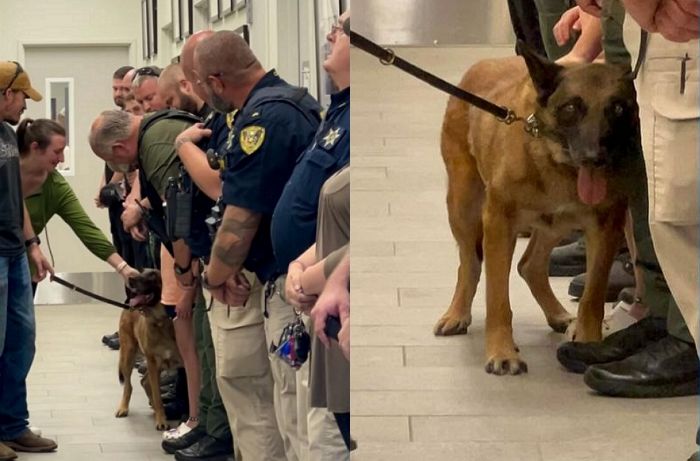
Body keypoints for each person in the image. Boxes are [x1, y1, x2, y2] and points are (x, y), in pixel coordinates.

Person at [184, 30, 321, 460]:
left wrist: (214, 276)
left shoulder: (265, 119)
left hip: (288, 282)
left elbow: (240, 219)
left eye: (203, 85)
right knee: (283, 404)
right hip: (280, 275)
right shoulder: (286, 103)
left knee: (290, 409)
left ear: (217, 81)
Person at [272, 10, 350, 460]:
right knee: (304, 435)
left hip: (336, 307)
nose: (328, 34)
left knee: (327, 442)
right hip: (312, 297)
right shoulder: (335, 109)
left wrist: (309, 277)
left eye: (340, 29)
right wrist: (300, 266)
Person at [0, 60, 57, 461]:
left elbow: (14, 195)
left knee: (20, 341)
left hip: (14, 252)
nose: (24, 105)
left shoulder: (6, 133)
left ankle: (12, 426)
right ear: (5, 94)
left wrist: (33, 242)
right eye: (22, 95)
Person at [18, 118, 138, 291]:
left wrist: (123, 268)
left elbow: (86, 229)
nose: (62, 158)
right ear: (35, 147)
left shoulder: (56, 187)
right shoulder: (7, 171)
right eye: (57, 152)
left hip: (24, 262)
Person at [286, 166, 350, 455]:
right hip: (328, 325)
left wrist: (307, 281)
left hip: (344, 320)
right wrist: (297, 266)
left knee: (334, 443)